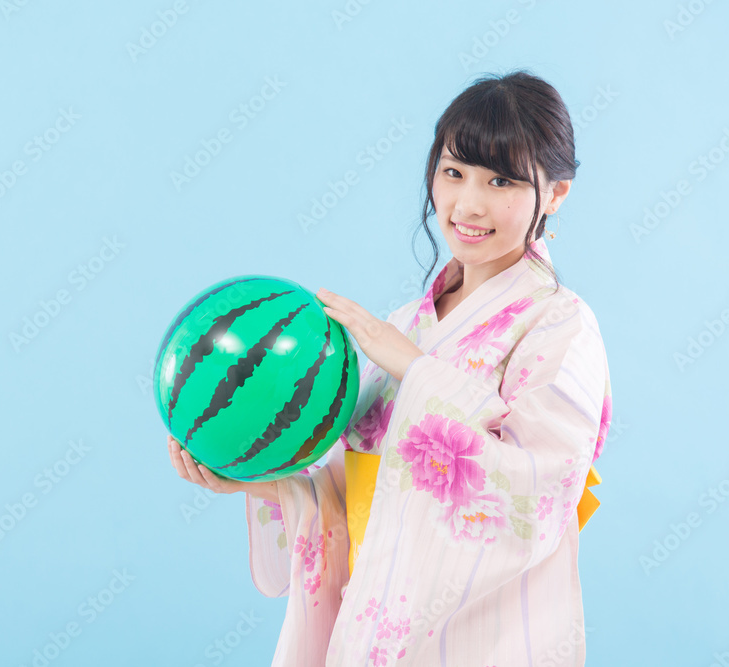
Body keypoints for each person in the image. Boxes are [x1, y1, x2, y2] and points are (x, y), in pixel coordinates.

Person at [167, 69, 613, 666]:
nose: (468, 204)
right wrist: (256, 479)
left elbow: (539, 489)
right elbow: (356, 492)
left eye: (501, 180)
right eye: (453, 172)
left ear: (555, 193)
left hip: (479, 640)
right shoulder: (406, 323)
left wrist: (414, 368)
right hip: (373, 630)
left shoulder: (560, 324)